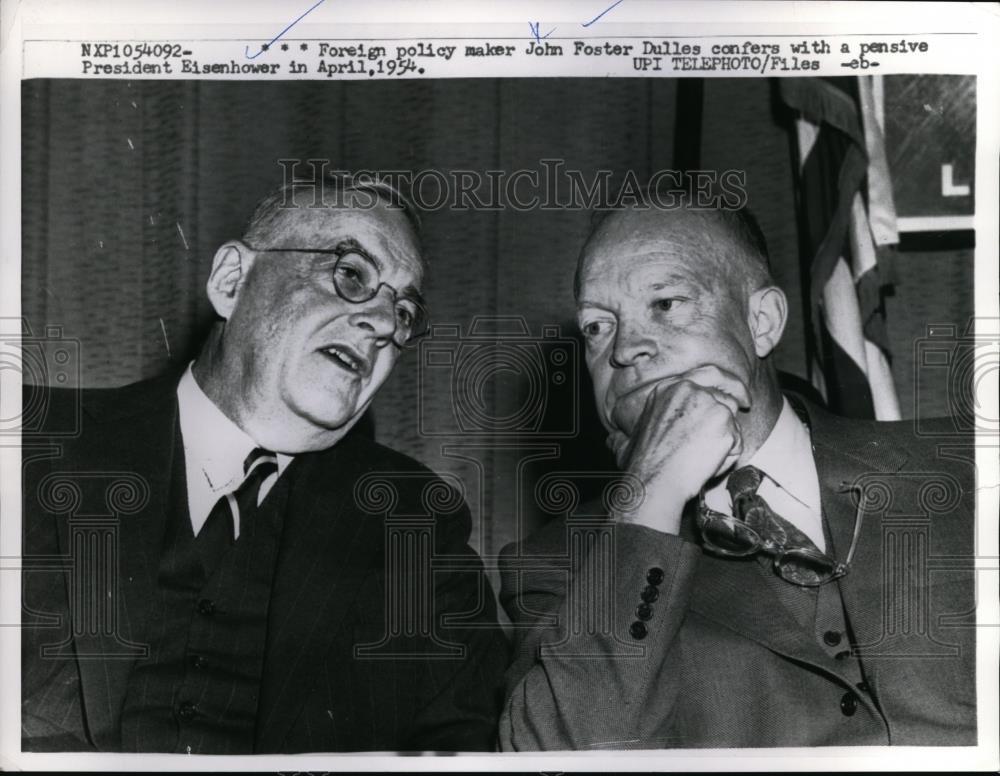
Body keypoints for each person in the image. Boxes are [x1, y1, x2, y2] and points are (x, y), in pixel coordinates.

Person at [21, 175, 508, 753]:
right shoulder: (30, 442)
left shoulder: (415, 522)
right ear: (232, 280)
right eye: (352, 274)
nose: (381, 323)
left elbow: (459, 747)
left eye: (403, 312)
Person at [498, 199, 977, 749]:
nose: (625, 349)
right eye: (598, 327)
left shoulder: (968, 464)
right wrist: (650, 493)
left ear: (762, 322)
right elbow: (558, 760)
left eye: (666, 303)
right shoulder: (559, 564)